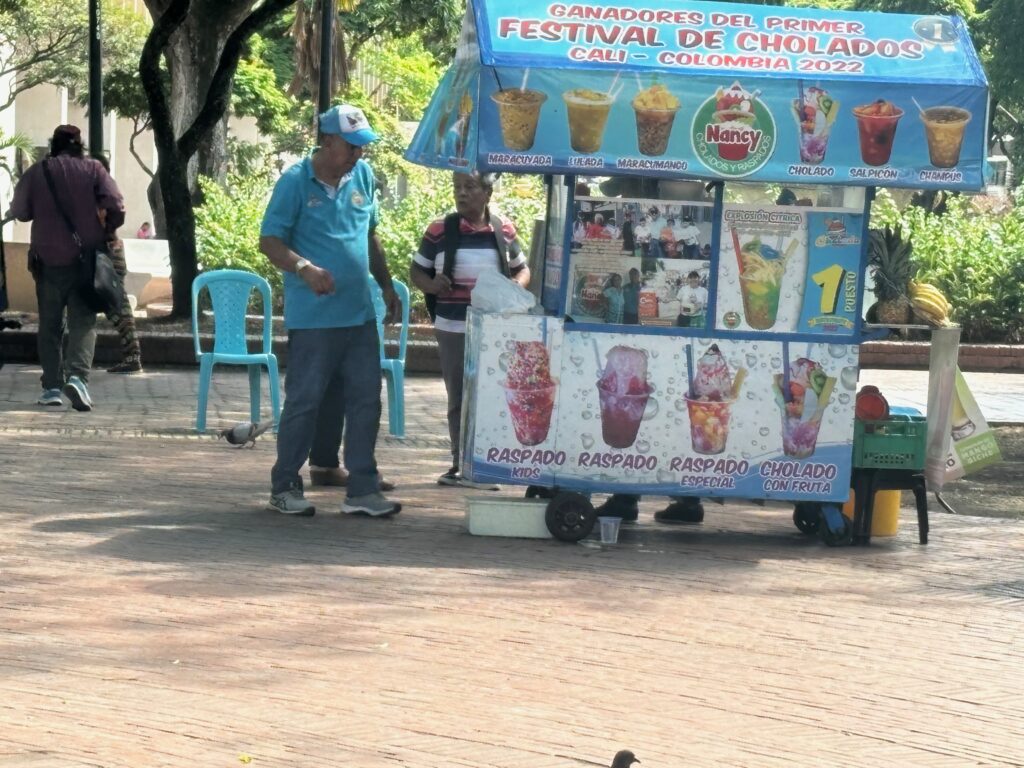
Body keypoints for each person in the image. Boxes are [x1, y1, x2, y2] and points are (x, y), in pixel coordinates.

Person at [259, 103, 401, 518]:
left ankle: (362, 489)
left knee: (365, 400)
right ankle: (284, 485)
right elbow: (269, 241)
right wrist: (304, 268)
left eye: (362, 147)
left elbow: (370, 234)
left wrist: (386, 283)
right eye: (352, 146)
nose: (359, 155)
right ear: (328, 141)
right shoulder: (294, 182)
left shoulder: (364, 177)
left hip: (360, 314)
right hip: (315, 319)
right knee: (304, 400)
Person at [411, 170, 530, 486]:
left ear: (488, 193)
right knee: (458, 396)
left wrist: (512, 291)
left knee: (490, 394)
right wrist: (433, 286)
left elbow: (522, 270)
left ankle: (488, 460)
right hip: (452, 325)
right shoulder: (440, 230)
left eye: (470, 187)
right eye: (457, 187)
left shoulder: (502, 230)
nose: (461, 193)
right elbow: (417, 271)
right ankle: (460, 461)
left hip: (493, 330)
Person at [8, 124, 125, 411]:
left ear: (53, 144)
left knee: (49, 325)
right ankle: (78, 379)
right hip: (85, 262)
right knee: (83, 323)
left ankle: (51, 387)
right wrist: (107, 227)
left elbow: (21, 212)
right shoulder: (94, 169)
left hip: (46, 263)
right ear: (79, 145)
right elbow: (117, 204)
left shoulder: (38, 171)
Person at [94, 155, 143, 374]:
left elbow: (104, 222)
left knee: (118, 307)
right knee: (118, 306)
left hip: (107, 254)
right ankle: (132, 356)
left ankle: (133, 357)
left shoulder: (100, 193)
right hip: (113, 251)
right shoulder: (109, 190)